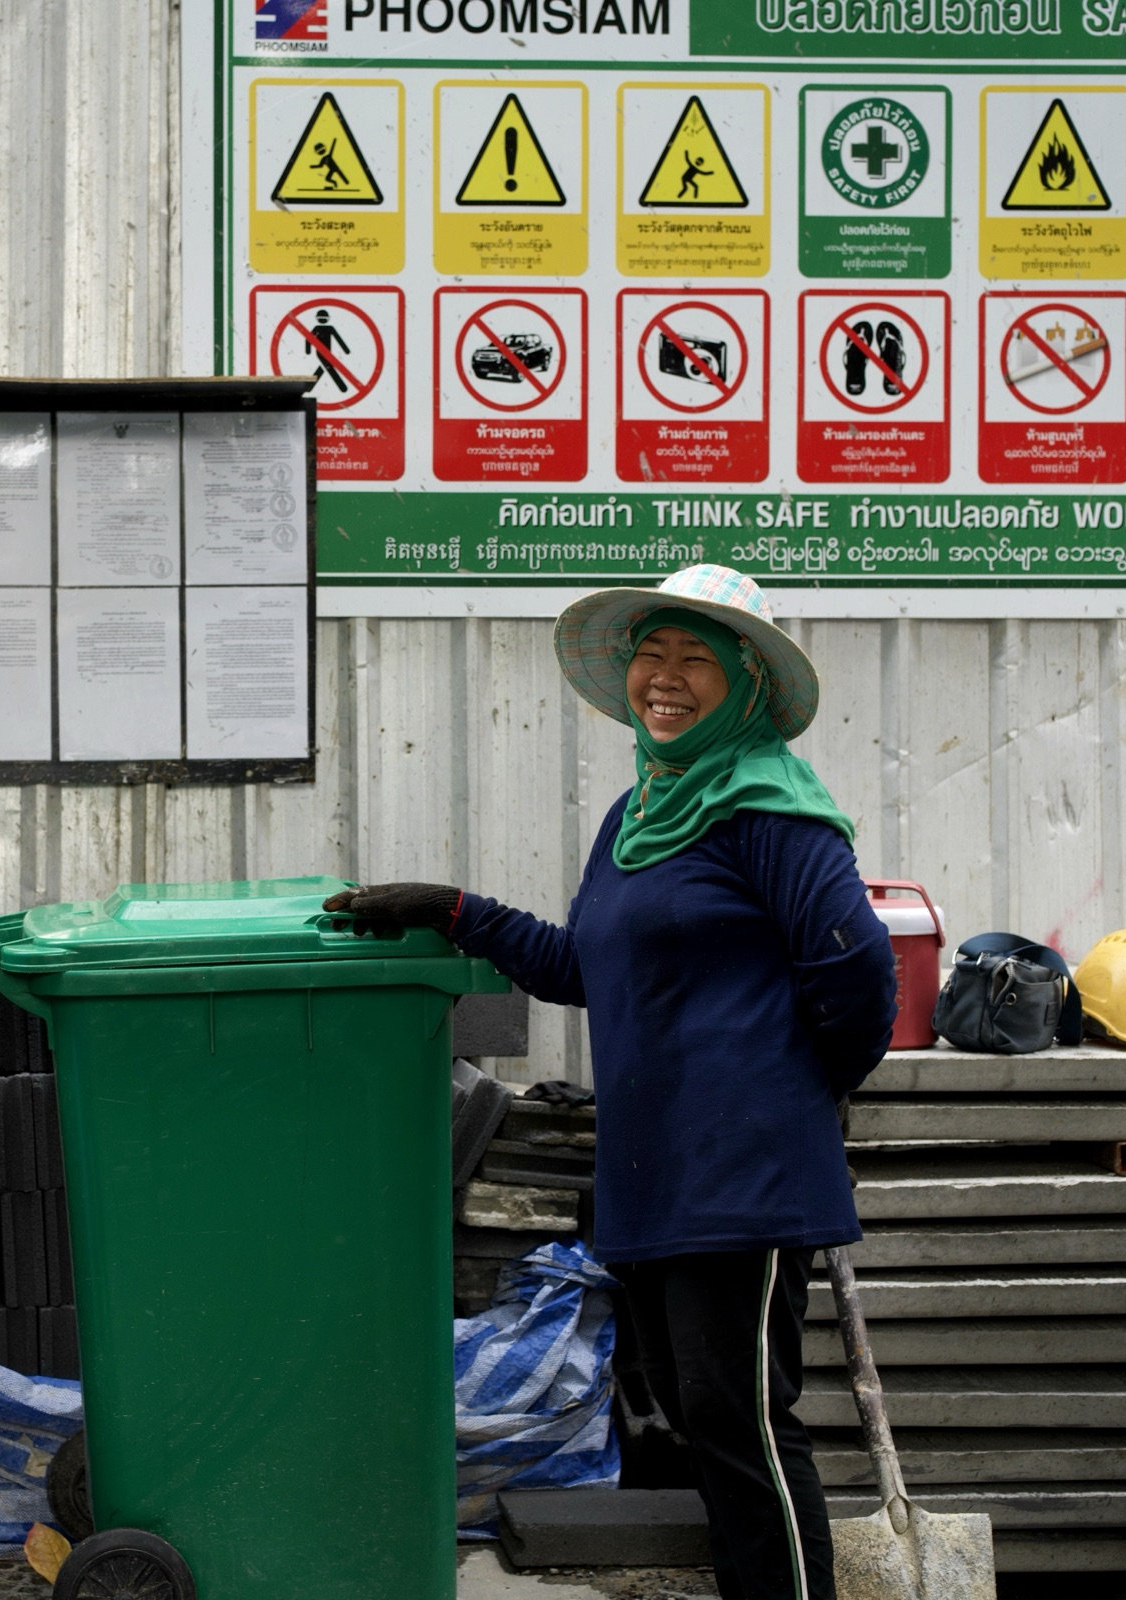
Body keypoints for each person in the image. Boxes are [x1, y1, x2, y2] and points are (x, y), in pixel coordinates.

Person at [328, 564, 895, 1600]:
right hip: (656, 1168)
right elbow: (591, 965)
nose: (665, 677)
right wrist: (456, 911)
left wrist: (794, 1089)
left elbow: (857, 971)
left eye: (697, 659)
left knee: (743, 1420)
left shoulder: (773, 812)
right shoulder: (643, 814)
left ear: (747, 686)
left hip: (744, 1174)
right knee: (694, 1410)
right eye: (653, 652)